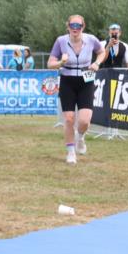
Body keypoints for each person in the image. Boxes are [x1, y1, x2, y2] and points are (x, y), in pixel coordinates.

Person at [47, 14, 105, 165]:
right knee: (69, 119)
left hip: (86, 80)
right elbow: (50, 63)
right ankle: (71, 152)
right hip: (67, 81)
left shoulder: (91, 39)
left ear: (83, 27)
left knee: (85, 121)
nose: (75, 28)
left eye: (78, 26)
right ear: (68, 26)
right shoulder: (61, 41)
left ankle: (80, 137)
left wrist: (97, 63)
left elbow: (102, 51)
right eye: (72, 25)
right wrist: (60, 62)